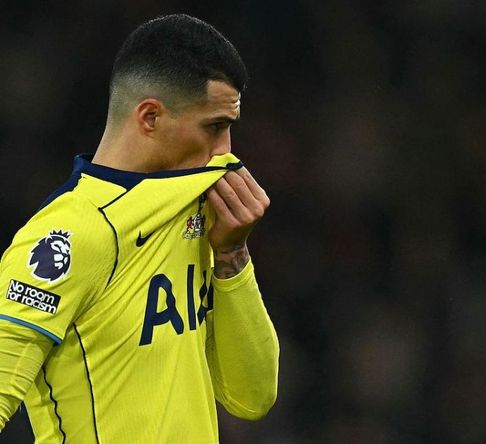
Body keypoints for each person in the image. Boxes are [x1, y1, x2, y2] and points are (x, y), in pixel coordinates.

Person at [0, 14, 279, 443]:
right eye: (214, 127)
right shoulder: (70, 234)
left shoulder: (201, 216)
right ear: (150, 117)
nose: (225, 151)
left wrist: (231, 256)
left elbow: (253, 397)